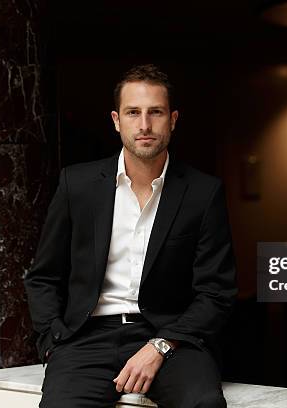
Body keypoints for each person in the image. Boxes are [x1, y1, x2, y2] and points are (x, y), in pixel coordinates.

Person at [24, 64, 237, 408]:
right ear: (115, 120)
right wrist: (53, 339)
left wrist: (161, 345)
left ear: (173, 119)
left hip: (171, 339)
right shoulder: (76, 184)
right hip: (86, 338)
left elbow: (216, 292)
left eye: (155, 112)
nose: (144, 125)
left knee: (204, 403)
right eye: (133, 112)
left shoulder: (202, 193)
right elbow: (43, 276)